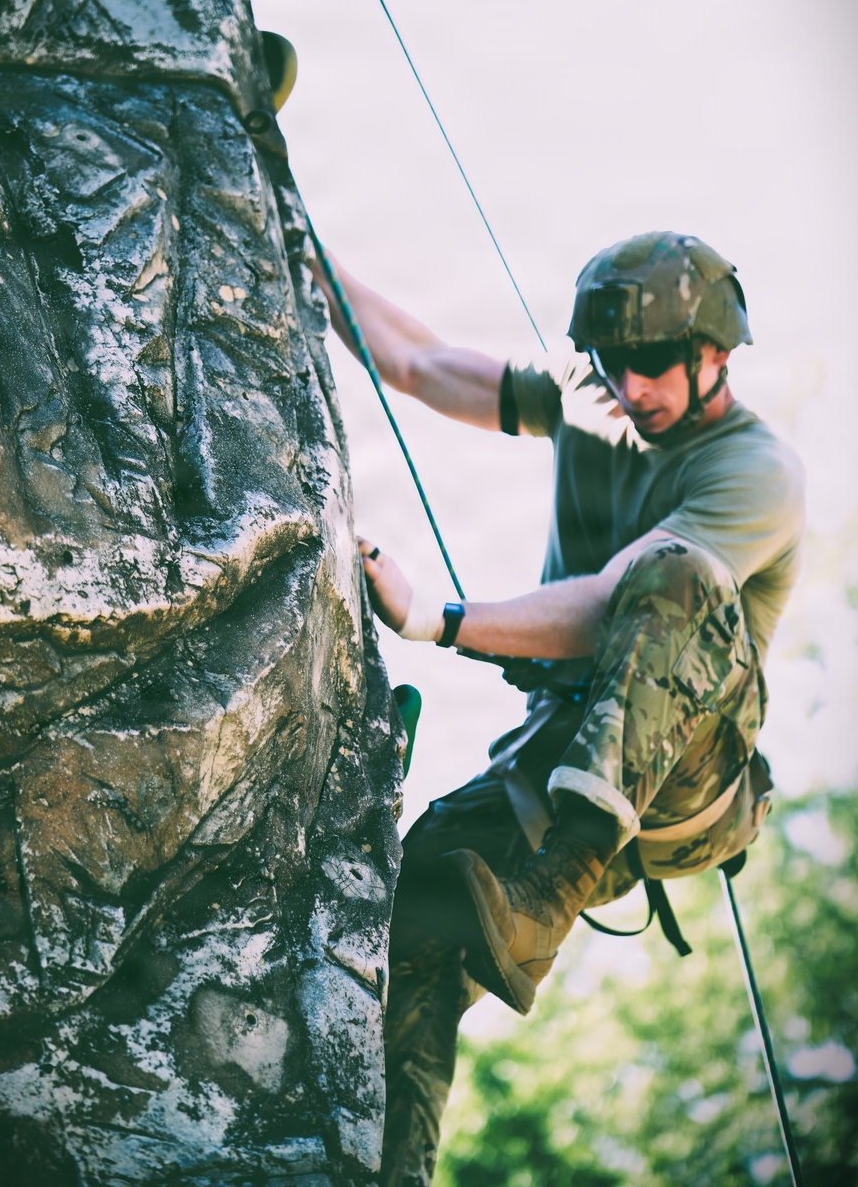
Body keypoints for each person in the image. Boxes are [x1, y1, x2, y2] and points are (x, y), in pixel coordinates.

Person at [317, 230, 805, 1187]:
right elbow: (421, 361)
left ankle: (549, 896)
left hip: (681, 780)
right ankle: (389, 1170)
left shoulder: (756, 470)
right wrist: (301, 252)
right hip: (560, 754)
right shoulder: (594, 397)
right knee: (412, 903)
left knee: (671, 574)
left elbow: (608, 604)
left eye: (654, 365)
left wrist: (438, 620)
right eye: (612, 365)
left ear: (717, 352)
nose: (630, 388)